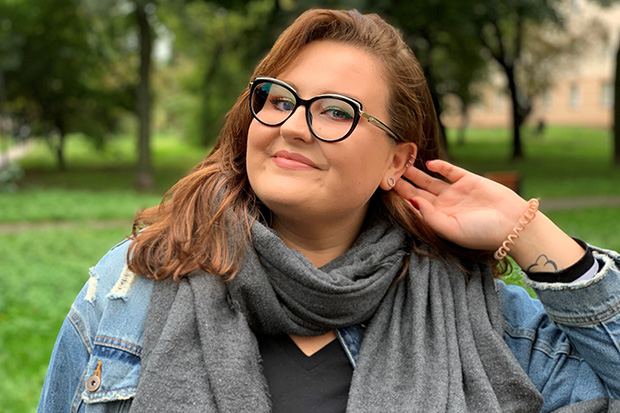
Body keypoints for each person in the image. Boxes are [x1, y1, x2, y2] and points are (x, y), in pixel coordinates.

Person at [38, 9, 620, 413]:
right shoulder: (132, 288)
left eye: (336, 111)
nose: (291, 126)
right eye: (279, 99)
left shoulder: (489, 321)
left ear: (398, 159)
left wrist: (531, 234)